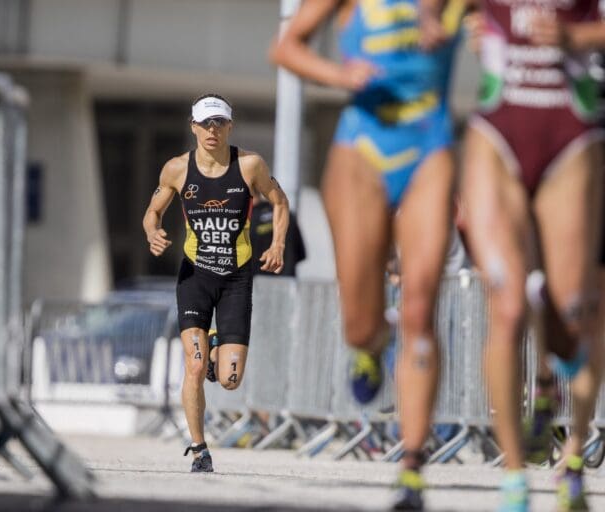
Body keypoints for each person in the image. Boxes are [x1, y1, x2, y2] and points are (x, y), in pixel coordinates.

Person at [269, 0, 467, 508]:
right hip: (362, 150)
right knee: (359, 324)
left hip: (430, 145)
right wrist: (339, 74)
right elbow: (286, 48)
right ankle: (371, 343)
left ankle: (412, 468)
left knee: (421, 307)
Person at [450, 1, 605, 509]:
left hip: (575, 138)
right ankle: (515, 479)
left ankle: (573, 453)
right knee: (508, 307)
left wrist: (576, 39)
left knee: (576, 319)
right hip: (499, 133)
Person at [142, 94, 290, 472]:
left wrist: (276, 244)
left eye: (219, 123)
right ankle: (199, 449)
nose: (212, 130)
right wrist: (152, 233)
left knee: (229, 380)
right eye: (205, 123)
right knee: (193, 369)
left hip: (236, 279)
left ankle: (214, 347)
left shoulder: (249, 165)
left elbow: (280, 201)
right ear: (193, 126)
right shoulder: (176, 169)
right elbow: (152, 211)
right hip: (195, 277)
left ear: (229, 127)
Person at [250, 194, 306, 276]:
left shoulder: (244, 220)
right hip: (287, 282)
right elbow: (300, 255)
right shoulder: (287, 214)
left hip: (256, 284)